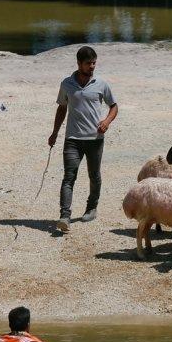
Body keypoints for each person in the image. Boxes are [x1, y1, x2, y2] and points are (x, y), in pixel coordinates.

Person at [48, 46, 118, 233]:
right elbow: (62, 108)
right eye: (88, 63)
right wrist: (54, 133)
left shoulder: (101, 84)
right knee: (69, 177)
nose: (92, 66)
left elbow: (114, 106)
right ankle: (65, 216)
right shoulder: (67, 84)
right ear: (79, 63)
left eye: (94, 63)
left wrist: (107, 122)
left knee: (94, 176)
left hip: (95, 139)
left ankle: (92, 207)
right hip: (72, 139)